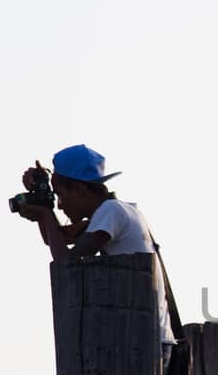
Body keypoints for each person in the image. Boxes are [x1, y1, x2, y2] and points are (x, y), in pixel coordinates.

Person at [15, 143, 174, 361]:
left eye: (61, 195)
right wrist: (43, 205)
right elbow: (57, 239)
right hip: (153, 340)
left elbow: (67, 264)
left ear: (80, 190)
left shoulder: (111, 212)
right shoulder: (122, 211)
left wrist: (44, 215)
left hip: (144, 343)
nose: (60, 206)